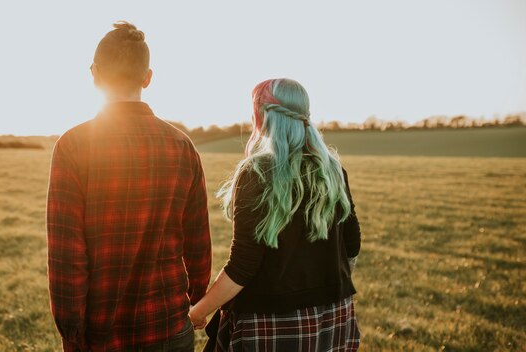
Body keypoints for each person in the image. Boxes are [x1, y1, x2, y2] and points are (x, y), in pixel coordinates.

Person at [46, 21, 212, 351]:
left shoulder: (73, 145)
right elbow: (198, 244)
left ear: (94, 73)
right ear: (148, 77)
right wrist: (192, 303)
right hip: (169, 326)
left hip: (100, 333)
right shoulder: (182, 146)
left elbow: (66, 253)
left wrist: (71, 331)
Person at [189, 79, 361, 351]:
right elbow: (352, 246)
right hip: (335, 315)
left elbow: (243, 265)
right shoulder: (332, 171)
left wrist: (199, 311)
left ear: (260, 116)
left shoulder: (257, 172)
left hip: (271, 321)